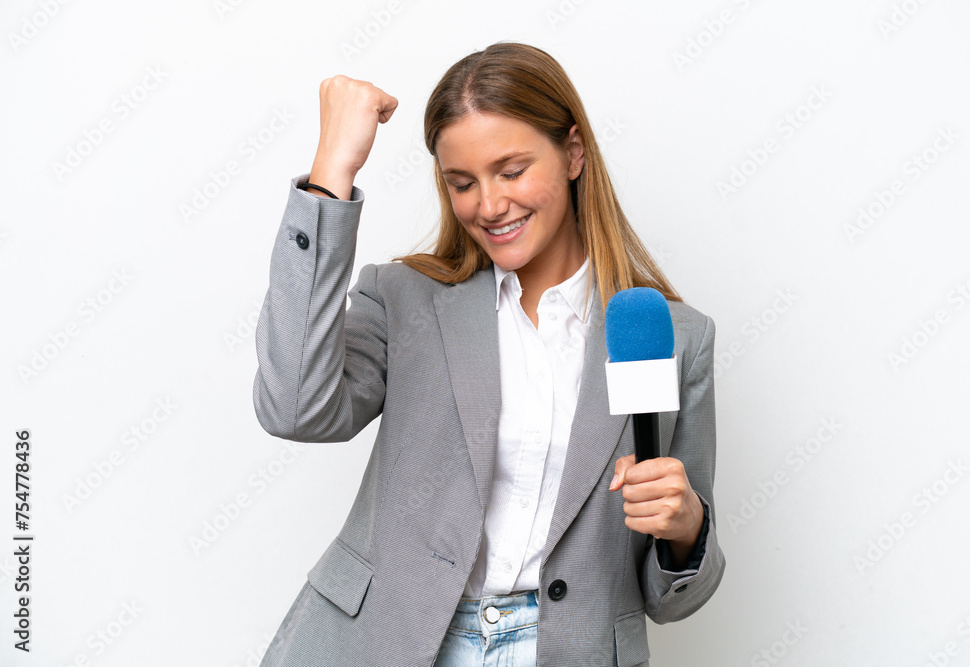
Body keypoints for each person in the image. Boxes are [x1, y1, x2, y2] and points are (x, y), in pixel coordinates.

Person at [252, 41, 724, 667]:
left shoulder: (671, 337)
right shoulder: (405, 299)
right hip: (391, 643)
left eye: (512, 170)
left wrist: (685, 528)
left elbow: (673, 598)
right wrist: (331, 173)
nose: (490, 205)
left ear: (573, 153)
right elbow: (293, 408)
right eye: (463, 183)